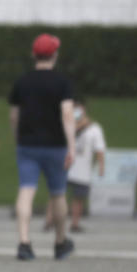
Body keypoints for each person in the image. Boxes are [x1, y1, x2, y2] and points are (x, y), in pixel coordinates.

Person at [8, 34, 76, 261]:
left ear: (33, 55)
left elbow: (14, 115)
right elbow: (67, 114)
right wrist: (72, 146)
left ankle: (24, 242)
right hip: (55, 145)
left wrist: (17, 138)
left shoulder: (22, 81)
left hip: (27, 145)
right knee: (58, 193)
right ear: (54, 55)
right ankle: (60, 241)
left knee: (26, 191)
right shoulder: (62, 82)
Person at [43, 99, 105, 233]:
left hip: (82, 170)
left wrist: (101, 166)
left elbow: (100, 149)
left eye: (79, 109)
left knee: (78, 198)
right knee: (56, 194)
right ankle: (49, 220)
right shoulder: (64, 125)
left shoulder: (94, 129)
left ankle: (74, 223)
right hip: (63, 165)